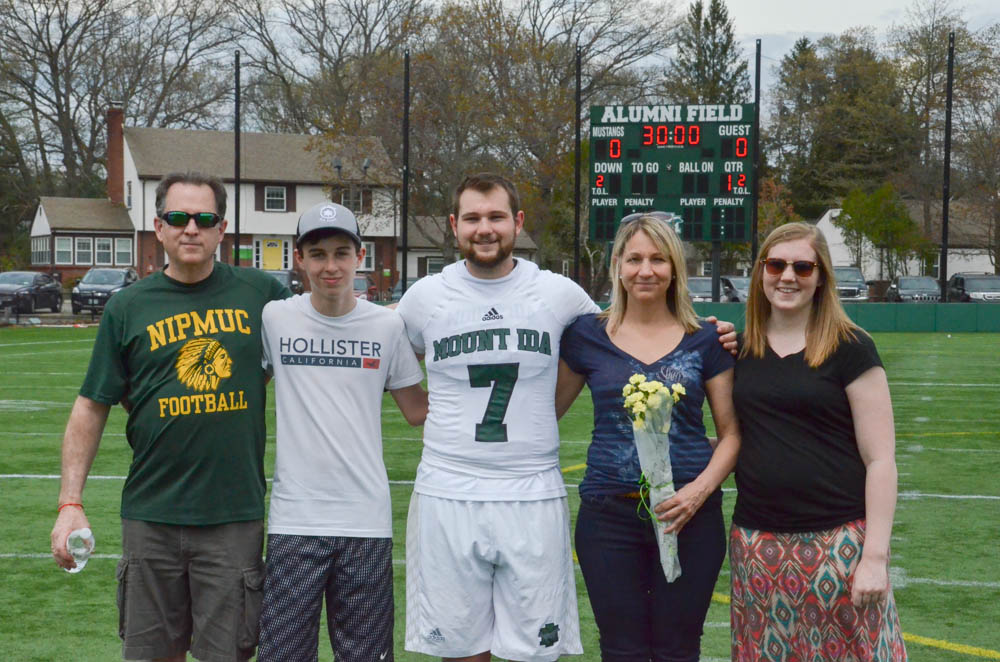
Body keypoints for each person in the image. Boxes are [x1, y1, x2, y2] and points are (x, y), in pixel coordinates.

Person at [49, 171, 290, 661]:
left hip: (232, 517)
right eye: (178, 218)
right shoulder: (127, 307)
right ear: (158, 226)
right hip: (151, 517)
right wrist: (69, 502)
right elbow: (92, 405)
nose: (191, 229)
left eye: (205, 219)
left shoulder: (263, 295)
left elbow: (311, 346)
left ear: (223, 229)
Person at [396, 172, 601, 662]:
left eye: (495, 217)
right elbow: (384, 357)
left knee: (533, 653)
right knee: (462, 650)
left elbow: (617, 343)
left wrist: (707, 330)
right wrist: (422, 411)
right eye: (472, 218)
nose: (484, 228)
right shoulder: (425, 297)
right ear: (454, 225)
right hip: (449, 489)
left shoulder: (559, 293)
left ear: (518, 222)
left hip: (531, 490)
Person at [555, 212, 741, 662]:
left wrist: (698, 491)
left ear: (674, 267)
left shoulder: (708, 340)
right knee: (622, 650)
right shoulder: (585, 336)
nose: (645, 270)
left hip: (689, 516)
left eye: (658, 259)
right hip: (608, 516)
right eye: (634, 258)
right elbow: (546, 414)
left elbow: (733, 433)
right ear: (617, 264)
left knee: (678, 649)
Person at [256, 202, 428, 662]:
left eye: (340, 253)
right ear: (299, 259)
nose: (329, 266)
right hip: (295, 522)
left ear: (359, 255)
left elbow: (417, 411)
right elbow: (246, 394)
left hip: (366, 522)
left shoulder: (387, 326)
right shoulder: (275, 318)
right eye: (317, 254)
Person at [729, 222, 906, 661]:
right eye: (776, 264)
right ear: (761, 272)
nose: (787, 276)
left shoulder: (851, 347)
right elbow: (743, 436)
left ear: (821, 276)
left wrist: (875, 558)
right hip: (756, 544)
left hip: (839, 544)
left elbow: (880, 458)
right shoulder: (739, 346)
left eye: (802, 267)